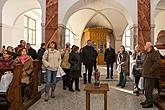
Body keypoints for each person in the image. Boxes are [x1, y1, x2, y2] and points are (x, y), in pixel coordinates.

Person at [140, 42, 160, 108]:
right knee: (146, 88)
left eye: (145, 45)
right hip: (146, 74)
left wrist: (150, 70)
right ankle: (147, 100)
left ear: (149, 46)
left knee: (148, 89)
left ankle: (150, 103)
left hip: (151, 75)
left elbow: (157, 63)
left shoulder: (155, 53)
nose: (144, 46)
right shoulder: (148, 53)